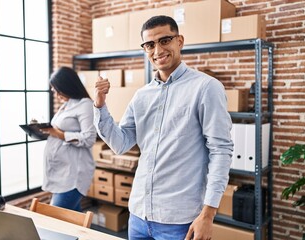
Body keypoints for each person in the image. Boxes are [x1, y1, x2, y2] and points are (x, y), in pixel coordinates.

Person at [93, 15, 233, 240]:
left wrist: (208, 214)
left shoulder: (206, 88)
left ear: (180, 41)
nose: (157, 50)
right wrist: (100, 106)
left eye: (165, 40)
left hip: (179, 220)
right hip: (139, 215)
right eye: (149, 44)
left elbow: (221, 151)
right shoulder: (141, 95)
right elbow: (120, 144)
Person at [41, 66, 97, 212]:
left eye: (55, 88)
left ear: (66, 85)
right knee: (73, 219)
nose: (54, 91)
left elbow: (89, 138)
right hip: (61, 171)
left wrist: (57, 133)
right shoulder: (66, 105)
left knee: (55, 217)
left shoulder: (85, 105)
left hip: (73, 174)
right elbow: (58, 131)